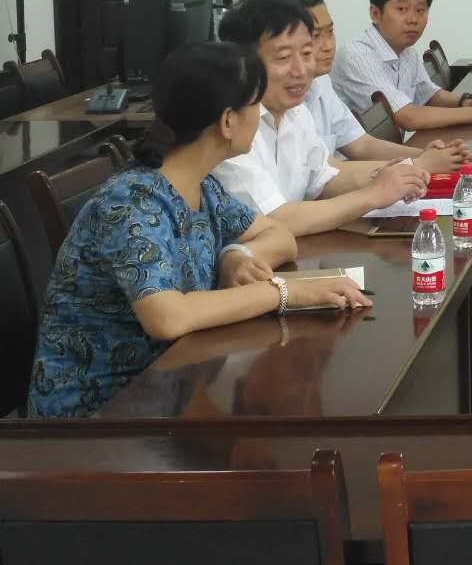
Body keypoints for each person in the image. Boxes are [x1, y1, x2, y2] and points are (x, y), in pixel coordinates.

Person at [27, 42, 370, 418]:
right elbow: (168, 318)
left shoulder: (201, 187)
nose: (259, 115)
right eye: (254, 105)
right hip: (97, 416)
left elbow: (279, 236)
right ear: (227, 122)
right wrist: (284, 293)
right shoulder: (131, 203)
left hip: (172, 387)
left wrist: (234, 255)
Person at [215, 0, 429, 236]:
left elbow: (325, 178)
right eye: (284, 58)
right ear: (242, 62)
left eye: (307, 53)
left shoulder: (295, 111)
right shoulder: (229, 127)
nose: (300, 70)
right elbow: (275, 220)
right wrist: (372, 194)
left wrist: (395, 174)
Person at [269, 0, 470, 172]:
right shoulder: (270, 106)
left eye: (330, 32)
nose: (328, 46)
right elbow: (323, 178)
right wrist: (418, 164)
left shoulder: (321, 82)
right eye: (315, 36)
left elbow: (361, 145)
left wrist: (423, 155)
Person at [331, 0, 472, 132]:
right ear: (375, 14)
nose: (413, 19)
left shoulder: (407, 52)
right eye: (402, 9)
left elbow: (429, 95)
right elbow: (408, 118)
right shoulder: (357, 56)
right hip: (359, 156)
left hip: (393, 149)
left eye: (420, 10)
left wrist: (465, 101)